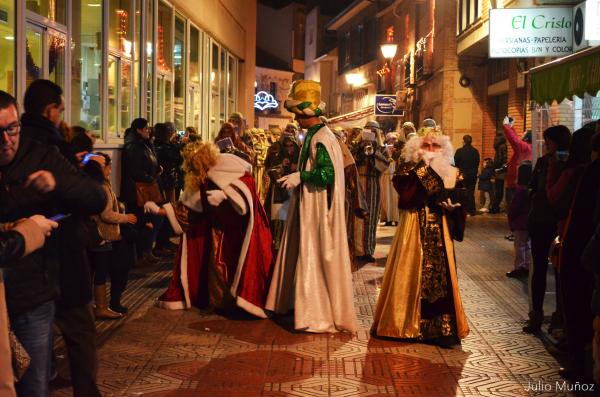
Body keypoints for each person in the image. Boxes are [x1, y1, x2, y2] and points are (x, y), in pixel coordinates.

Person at [0, 90, 106, 397]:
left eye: (11, 129)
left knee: (34, 382)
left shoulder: (41, 153)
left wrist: (57, 182)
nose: (7, 140)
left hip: (33, 289)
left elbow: (95, 197)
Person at [265, 80, 358, 333]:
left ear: (307, 114)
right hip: (309, 205)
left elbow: (326, 175)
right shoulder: (318, 136)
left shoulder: (321, 139)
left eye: (297, 114)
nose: (295, 119)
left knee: (313, 254)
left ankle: (315, 313)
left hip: (317, 209)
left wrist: (301, 177)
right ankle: (302, 304)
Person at [370, 124, 469, 347]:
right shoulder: (409, 170)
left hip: (441, 228)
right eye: (426, 145)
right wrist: (426, 169)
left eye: (436, 146)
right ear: (417, 148)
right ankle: (405, 323)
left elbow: (461, 195)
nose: (431, 149)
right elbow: (406, 195)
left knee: (441, 277)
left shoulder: (452, 171)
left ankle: (442, 329)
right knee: (410, 271)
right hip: (415, 226)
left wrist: (456, 206)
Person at [151, 141, 274, 316]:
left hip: (239, 230)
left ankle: (237, 302)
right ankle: (222, 303)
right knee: (217, 264)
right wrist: (161, 210)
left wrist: (225, 194)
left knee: (238, 265)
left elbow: (247, 185)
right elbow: (188, 207)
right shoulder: (200, 177)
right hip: (217, 229)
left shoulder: (229, 163)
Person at [555, 130, 599, 381]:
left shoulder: (586, 173)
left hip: (582, 251)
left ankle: (579, 367)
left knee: (578, 308)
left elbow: (559, 204)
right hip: (587, 250)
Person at [0, 216, 57, 397]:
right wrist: (29, 231)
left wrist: (11, 227)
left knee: (34, 383)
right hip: (23, 294)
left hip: (31, 294)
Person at [524, 125, 571, 334]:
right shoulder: (544, 163)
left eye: (549, 141)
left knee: (561, 272)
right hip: (540, 221)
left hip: (558, 223)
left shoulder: (570, 164)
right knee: (540, 269)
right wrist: (535, 197)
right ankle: (536, 314)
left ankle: (560, 318)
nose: (547, 146)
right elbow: (532, 186)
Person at [83, 153, 137, 319]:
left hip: (92, 235)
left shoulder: (87, 184)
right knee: (101, 272)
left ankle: (92, 306)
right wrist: (126, 217)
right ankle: (101, 307)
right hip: (103, 235)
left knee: (92, 272)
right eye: (107, 166)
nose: (109, 169)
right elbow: (106, 214)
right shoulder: (102, 187)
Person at [120, 118, 165, 267]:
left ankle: (146, 251)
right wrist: (151, 177)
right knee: (145, 220)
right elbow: (135, 170)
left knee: (153, 219)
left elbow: (150, 162)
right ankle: (142, 253)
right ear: (138, 130)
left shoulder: (145, 144)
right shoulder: (134, 146)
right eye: (146, 128)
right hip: (140, 190)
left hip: (148, 186)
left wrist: (156, 170)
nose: (148, 131)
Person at [352, 121, 390, 262]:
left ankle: (368, 250)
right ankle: (356, 250)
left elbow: (384, 165)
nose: (370, 133)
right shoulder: (357, 146)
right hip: (358, 183)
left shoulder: (382, 148)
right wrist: (361, 149)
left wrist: (374, 153)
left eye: (373, 131)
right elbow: (352, 161)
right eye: (368, 130)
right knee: (357, 217)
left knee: (372, 217)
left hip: (373, 184)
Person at [264, 134, 300, 253]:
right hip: (280, 195)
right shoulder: (277, 156)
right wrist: (281, 166)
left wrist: (298, 169)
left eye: (291, 146)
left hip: (294, 194)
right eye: (286, 146)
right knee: (279, 223)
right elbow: (270, 170)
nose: (289, 149)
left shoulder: (300, 158)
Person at [506, 162, 532, 278]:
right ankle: (527, 266)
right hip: (530, 222)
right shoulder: (531, 189)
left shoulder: (520, 190)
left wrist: (511, 221)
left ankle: (519, 268)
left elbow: (514, 208)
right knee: (527, 245)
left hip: (520, 223)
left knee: (520, 246)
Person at [502, 118, 532, 207]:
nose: (521, 135)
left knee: (515, 206)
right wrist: (511, 127)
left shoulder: (524, 147)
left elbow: (514, 140)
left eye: (524, 134)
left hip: (517, 182)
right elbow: (516, 139)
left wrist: (506, 126)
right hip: (520, 181)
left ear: (526, 137)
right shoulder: (529, 147)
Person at [454, 134, 480, 216]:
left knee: (462, 192)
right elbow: (477, 163)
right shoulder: (475, 151)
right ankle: (472, 210)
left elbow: (455, 163)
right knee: (471, 193)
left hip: (463, 175)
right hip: (472, 175)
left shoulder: (460, 151)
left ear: (464, 141)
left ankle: (463, 210)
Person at [380, 132, 400, 226]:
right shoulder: (384, 149)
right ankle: (387, 218)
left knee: (395, 198)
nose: (392, 141)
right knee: (386, 197)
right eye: (390, 139)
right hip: (385, 174)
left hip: (394, 174)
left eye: (394, 139)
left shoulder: (399, 150)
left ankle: (396, 218)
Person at [490, 134, 508, 213]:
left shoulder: (501, 147)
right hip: (500, 170)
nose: (494, 140)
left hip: (499, 171)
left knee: (498, 190)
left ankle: (495, 208)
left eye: (495, 139)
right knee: (498, 190)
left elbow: (500, 159)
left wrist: (494, 169)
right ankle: (495, 207)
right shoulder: (502, 147)